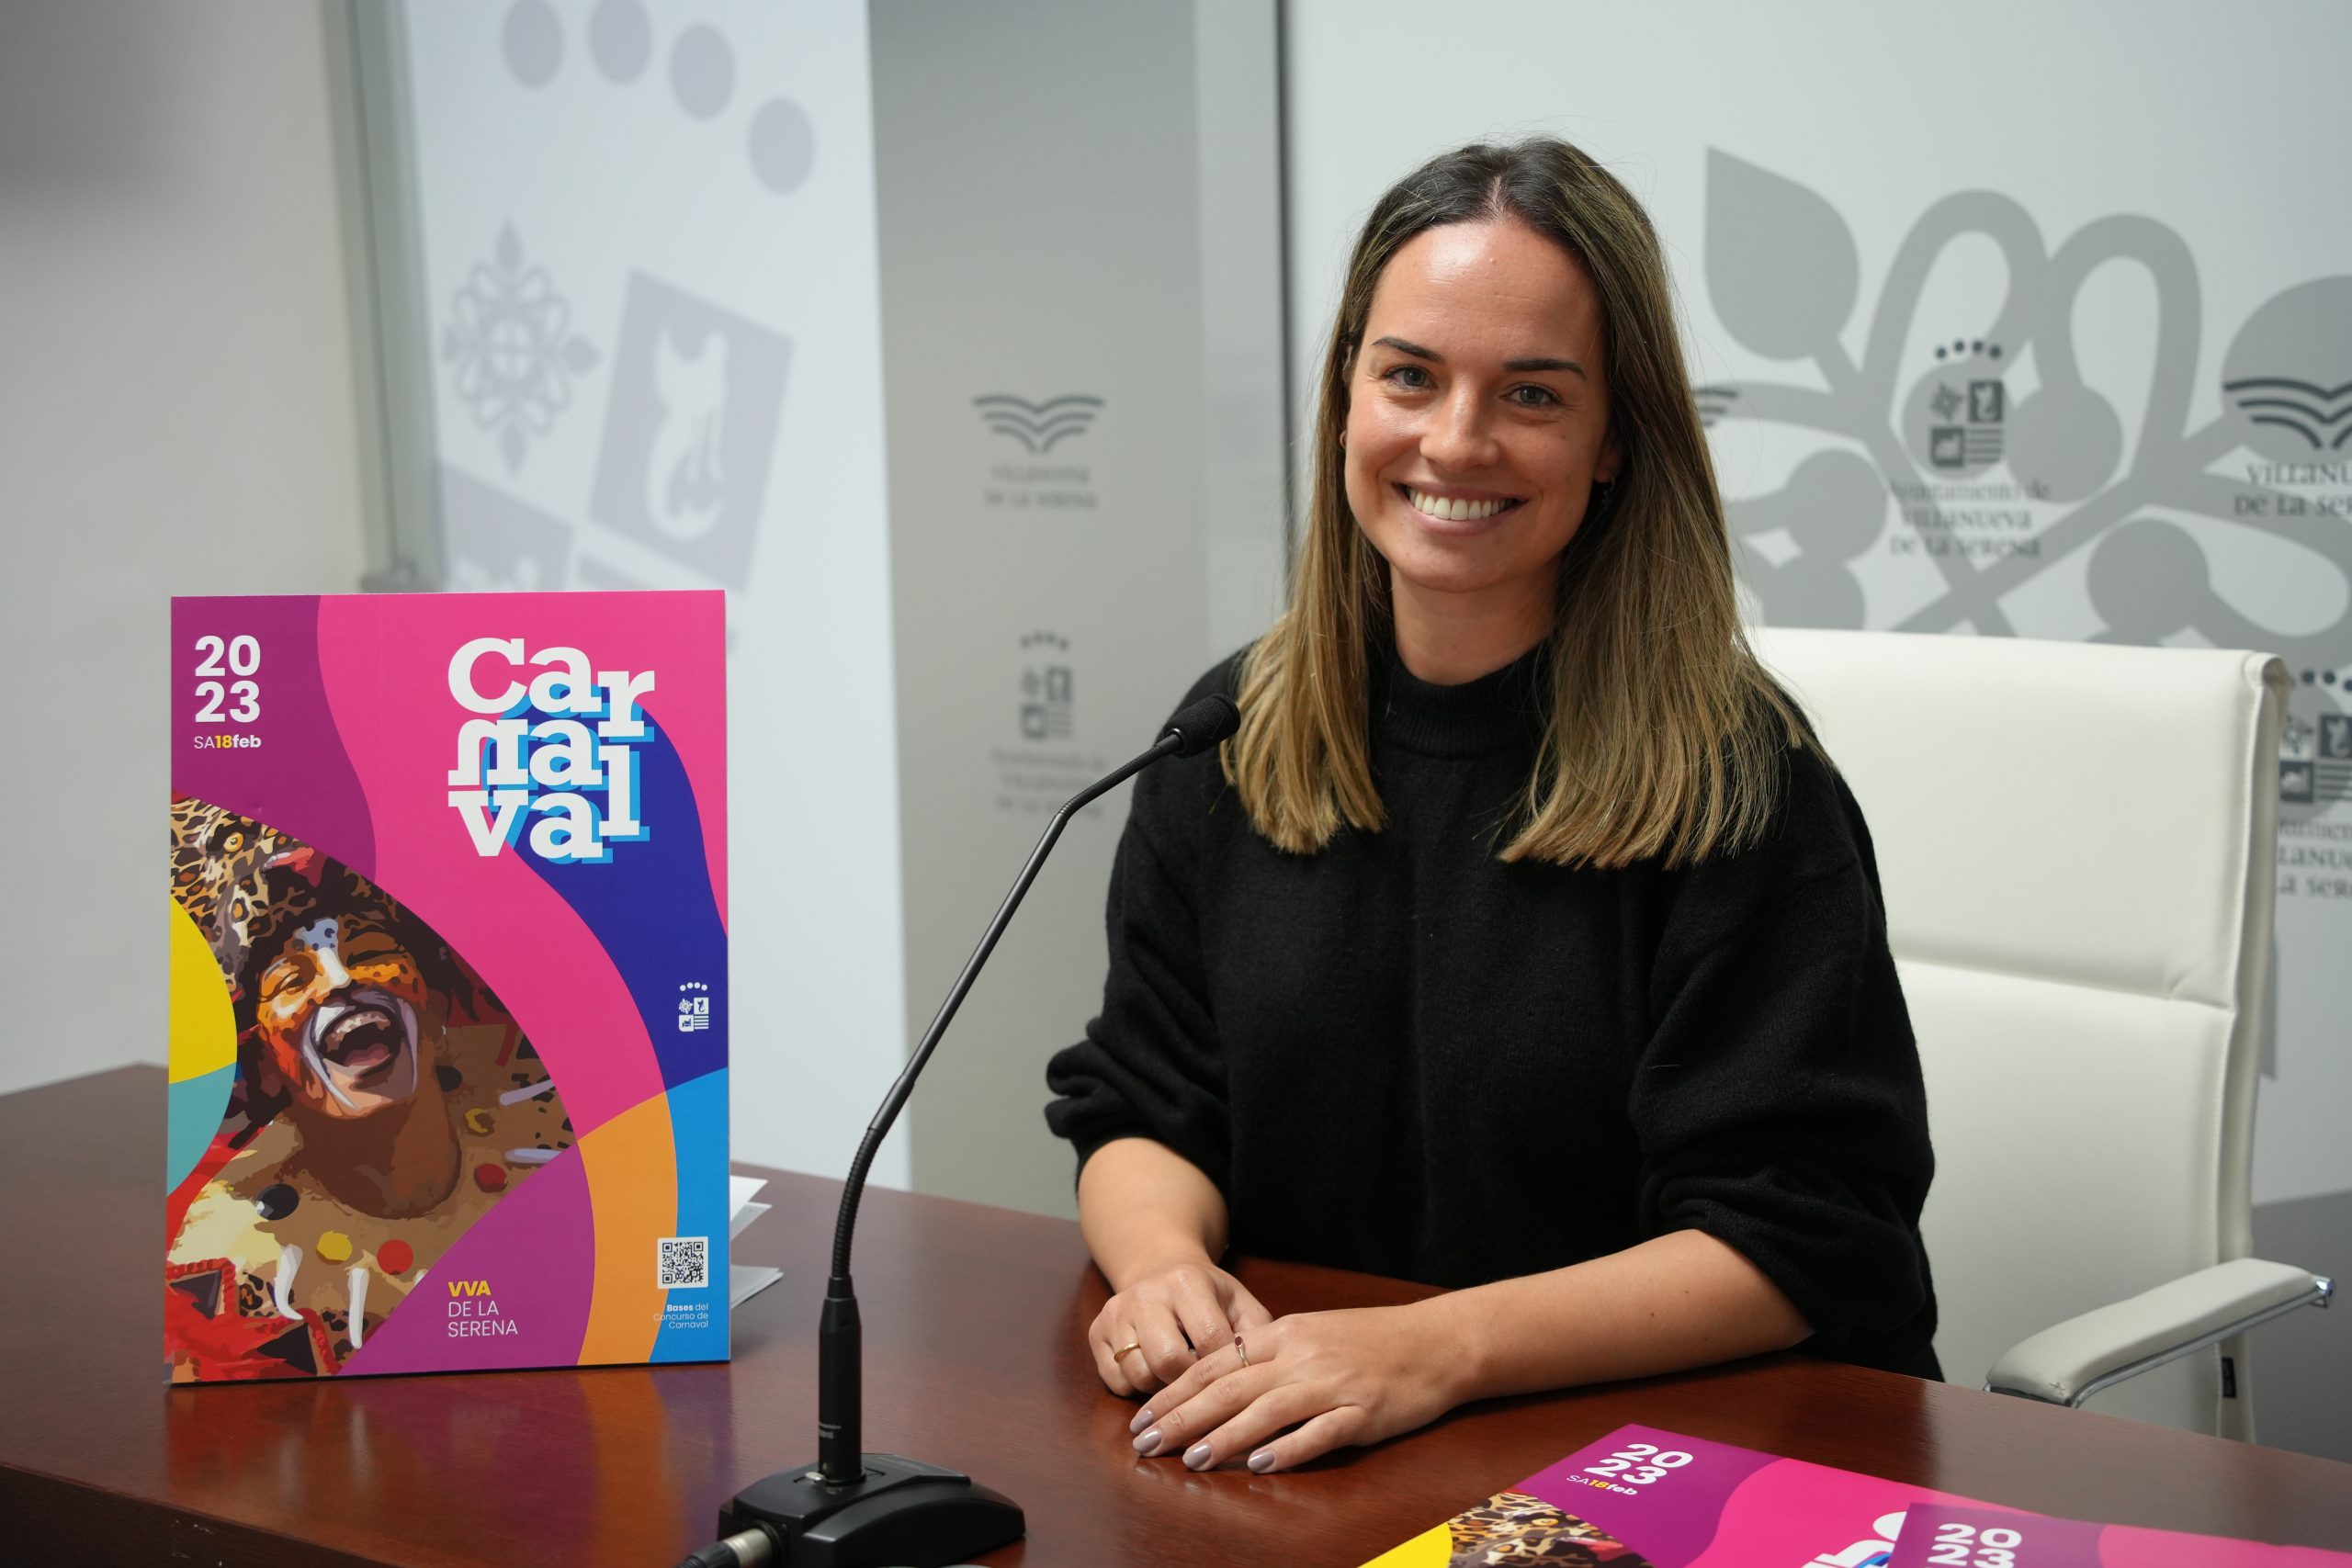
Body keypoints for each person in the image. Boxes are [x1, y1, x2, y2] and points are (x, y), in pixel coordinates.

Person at [1043, 138, 1937, 1476]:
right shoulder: (1231, 730)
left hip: (1674, 1452)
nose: (1455, 441)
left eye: (1530, 393)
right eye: (1409, 376)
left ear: (1614, 437)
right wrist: (1162, 1265)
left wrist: (1433, 1349)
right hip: (1319, 1440)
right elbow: (1143, 1103)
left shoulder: (1741, 781)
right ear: (1346, 397)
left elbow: (1800, 1229)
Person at [166, 800, 571, 1380]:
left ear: (433, 1007)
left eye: (371, 952)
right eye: (291, 979)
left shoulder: (558, 1120)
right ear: (263, 1064)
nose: (340, 980)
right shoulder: (242, 1267)